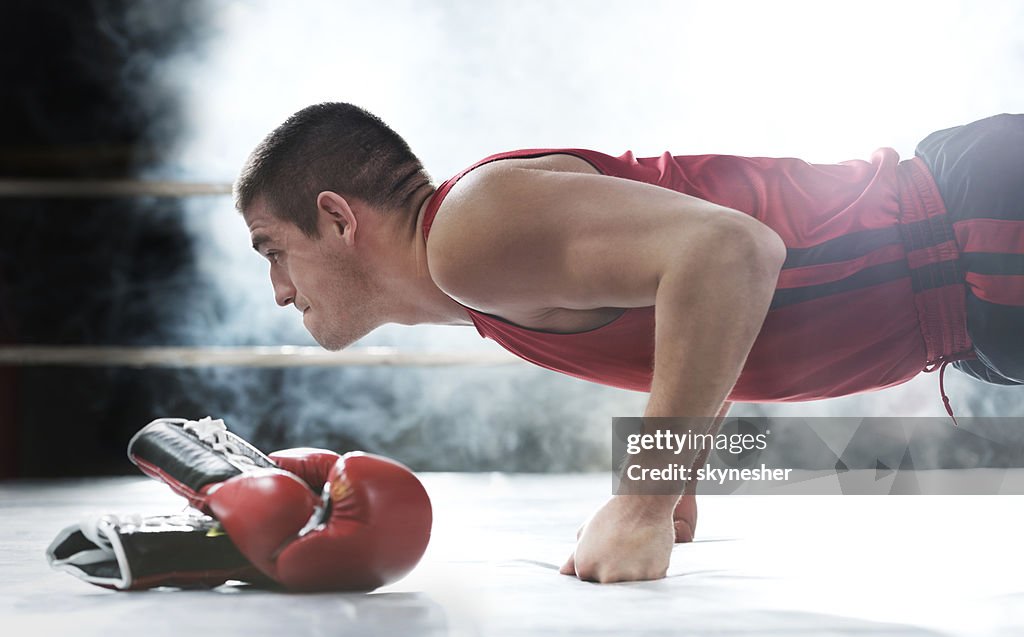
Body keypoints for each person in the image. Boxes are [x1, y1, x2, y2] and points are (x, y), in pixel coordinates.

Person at [235, 104, 1024, 583]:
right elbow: (705, 275)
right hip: (975, 286)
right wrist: (675, 460)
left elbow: (731, 252)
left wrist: (643, 500)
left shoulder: (465, 236)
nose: (277, 291)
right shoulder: (484, 275)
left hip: (983, 229)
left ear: (338, 220)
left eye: (272, 249)